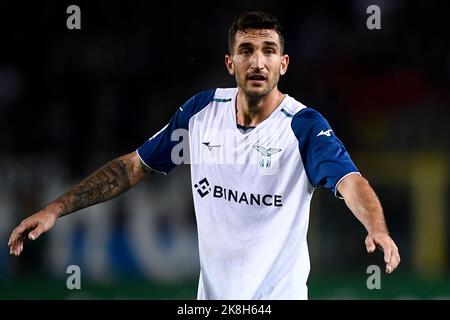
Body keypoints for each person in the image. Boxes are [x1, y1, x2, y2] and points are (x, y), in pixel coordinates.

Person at [8, 11, 400, 299]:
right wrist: (55, 209)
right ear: (231, 63)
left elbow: (351, 181)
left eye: (268, 50)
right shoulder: (200, 114)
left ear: (283, 64)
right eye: (246, 50)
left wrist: (376, 227)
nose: (257, 61)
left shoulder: (304, 127)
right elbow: (133, 167)